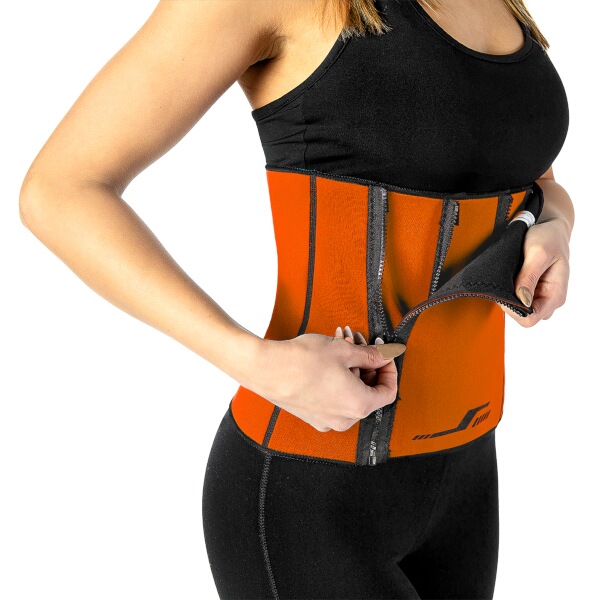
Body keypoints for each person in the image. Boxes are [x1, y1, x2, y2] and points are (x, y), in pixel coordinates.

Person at [18, 0, 573, 598]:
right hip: (309, 492)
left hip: (468, 473)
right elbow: (59, 191)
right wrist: (254, 362)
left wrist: (555, 223)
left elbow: (532, 180)